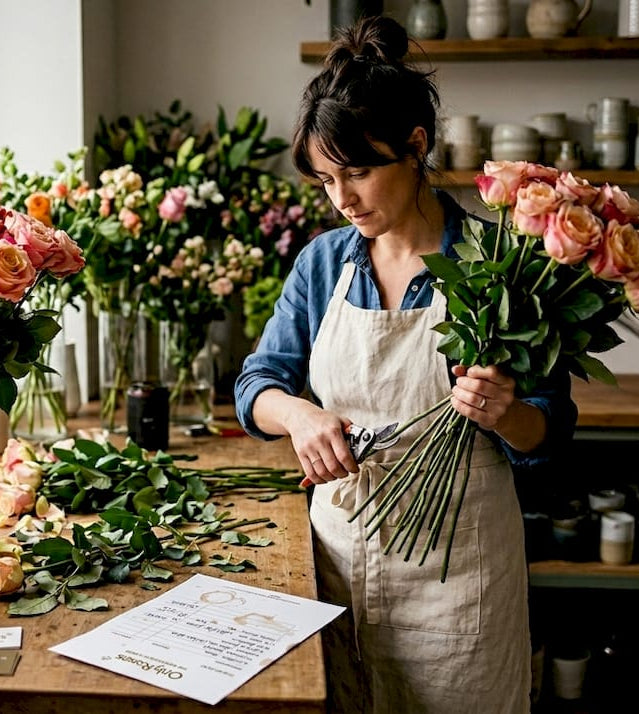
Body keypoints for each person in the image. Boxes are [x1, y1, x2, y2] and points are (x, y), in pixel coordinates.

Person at [233, 15, 577, 714]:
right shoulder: (323, 264)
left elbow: (552, 434)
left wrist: (506, 415)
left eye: (358, 172)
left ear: (416, 146)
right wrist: (298, 416)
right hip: (338, 563)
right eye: (327, 179)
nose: (342, 198)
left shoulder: (497, 265)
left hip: (460, 583)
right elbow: (256, 385)